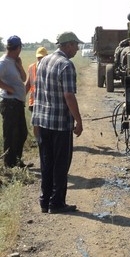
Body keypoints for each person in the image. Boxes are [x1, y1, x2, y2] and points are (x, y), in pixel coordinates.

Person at [31, 31, 84, 213]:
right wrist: (78, 121)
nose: (77, 49)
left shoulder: (43, 61)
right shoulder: (66, 65)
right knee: (61, 165)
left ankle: (44, 201)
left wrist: (35, 121)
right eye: (75, 45)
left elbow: (38, 92)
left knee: (47, 163)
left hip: (43, 122)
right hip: (60, 124)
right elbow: (69, 96)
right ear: (67, 45)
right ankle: (57, 203)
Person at [0, 35, 29, 168]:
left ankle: (17, 162)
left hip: (17, 103)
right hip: (10, 104)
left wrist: (20, 66)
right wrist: (8, 88)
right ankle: (9, 165)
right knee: (11, 135)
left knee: (21, 133)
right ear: (18, 48)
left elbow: (24, 78)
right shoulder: (4, 61)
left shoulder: (14, 61)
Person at [25, 46, 48, 144]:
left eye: (42, 57)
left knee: (45, 122)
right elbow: (28, 84)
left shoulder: (49, 68)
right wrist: (21, 98)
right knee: (36, 122)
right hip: (34, 100)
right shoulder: (32, 67)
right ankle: (39, 141)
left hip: (46, 100)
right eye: (39, 57)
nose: (40, 59)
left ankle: (45, 141)